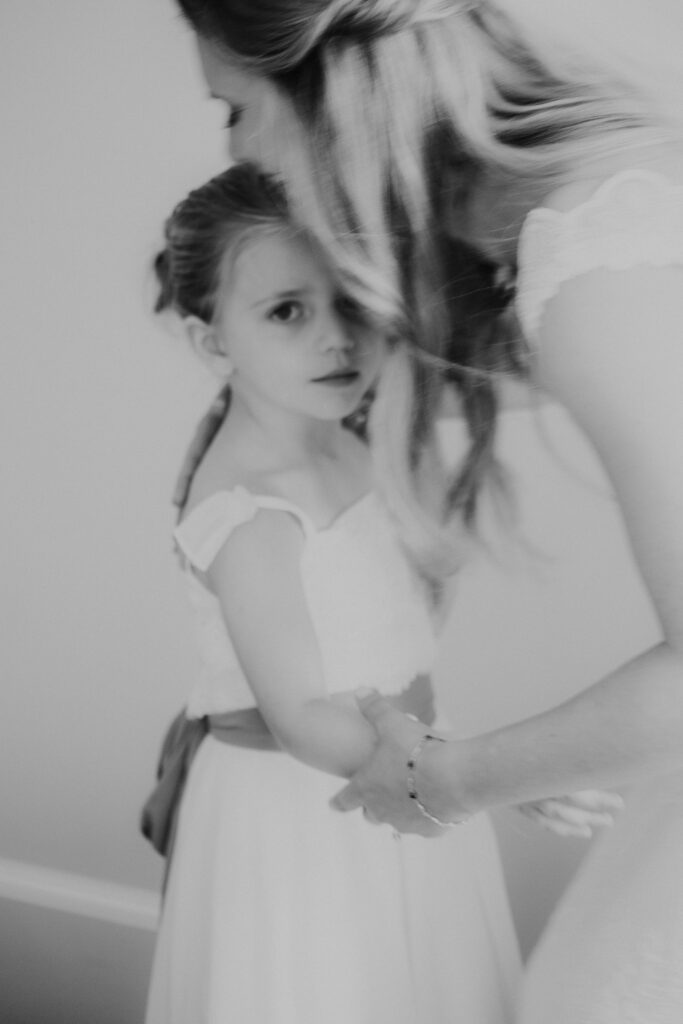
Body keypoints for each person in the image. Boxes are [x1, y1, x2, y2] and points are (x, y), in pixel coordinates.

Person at [165, 2, 683, 1021]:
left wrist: (462, 775)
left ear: (327, 93)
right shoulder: (576, 231)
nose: (244, 149)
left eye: (235, 109)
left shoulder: (592, 269)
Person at [144, 161, 536, 1024]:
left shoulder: (344, 436)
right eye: (288, 311)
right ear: (213, 342)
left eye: (352, 302)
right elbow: (304, 718)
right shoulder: (251, 517)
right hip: (311, 810)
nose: (338, 339)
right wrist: (495, 773)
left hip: (401, 769)